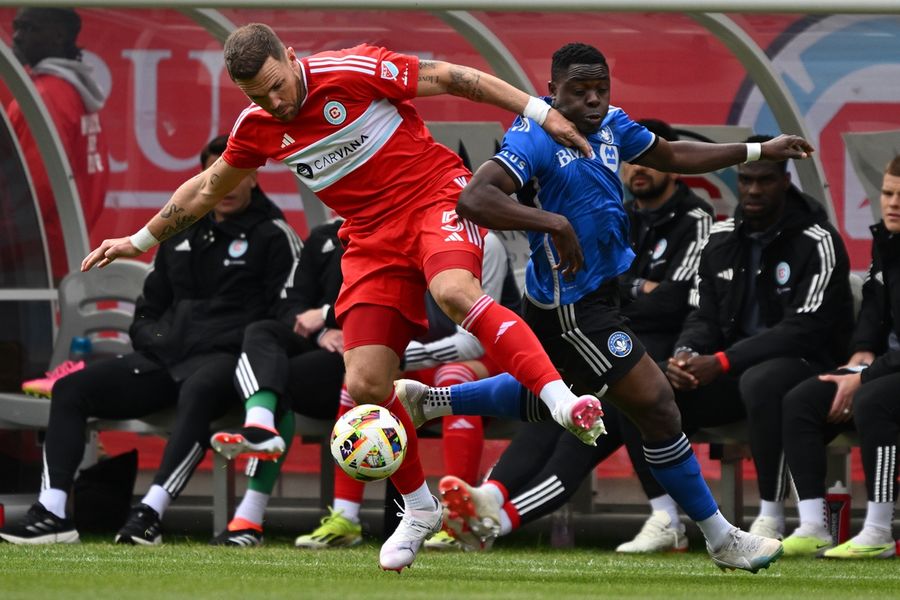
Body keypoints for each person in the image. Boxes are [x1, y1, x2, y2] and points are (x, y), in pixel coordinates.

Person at [83, 23, 606, 571]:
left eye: (276, 85)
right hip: (370, 238)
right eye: (256, 95)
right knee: (365, 385)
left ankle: (560, 401)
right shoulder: (258, 125)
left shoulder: (352, 70)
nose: (274, 101)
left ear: (290, 56)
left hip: (435, 199)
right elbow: (206, 187)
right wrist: (137, 240)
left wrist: (542, 113)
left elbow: (459, 78)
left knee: (454, 293)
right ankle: (420, 508)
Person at [394, 42, 820, 573]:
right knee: (657, 404)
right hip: (570, 304)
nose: (593, 100)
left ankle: (433, 400)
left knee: (571, 393)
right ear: (552, 91)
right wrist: (554, 223)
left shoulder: (614, 124)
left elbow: (668, 154)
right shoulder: (535, 135)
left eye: (601, 89)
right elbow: (475, 199)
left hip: (599, 294)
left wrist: (757, 151)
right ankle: (721, 537)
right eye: (579, 91)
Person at [428, 118, 716, 552]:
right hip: (605, 336)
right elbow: (611, 284)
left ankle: (662, 514)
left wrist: (625, 290)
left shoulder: (696, 219)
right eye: (631, 163)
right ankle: (490, 502)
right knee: (561, 404)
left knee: (597, 416)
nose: (638, 170)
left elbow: (674, 300)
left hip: (663, 348)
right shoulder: (621, 209)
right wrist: (631, 289)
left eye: (648, 162)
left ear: (670, 167)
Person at [0, 135, 301, 545]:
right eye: (215, 177)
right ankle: (52, 512)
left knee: (199, 389)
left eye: (234, 176)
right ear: (202, 180)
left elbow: (284, 314)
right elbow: (148, 308)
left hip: (226, 365)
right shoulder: (179, 233)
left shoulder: (274, 235)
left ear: (252, 176)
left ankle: (150, 512)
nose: (225, 187)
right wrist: (153, 338)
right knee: (71, 389)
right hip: (164, 359)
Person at [293, 231, 518, 551]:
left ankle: (459, 519)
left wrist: (400, 355)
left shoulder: (486, 243)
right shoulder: (399, 235)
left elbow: (472, 341)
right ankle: (346, 518)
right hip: (423, 356)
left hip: (486, 357)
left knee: (453, 375)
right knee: (357, 381)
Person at [779, 156, 900, 559]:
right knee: (802, 399)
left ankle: (879, 529)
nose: (892, 203)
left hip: (889, 375)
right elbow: (874, 303)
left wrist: (863, 378)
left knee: (873, 400)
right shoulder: (887, 239)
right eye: (887, 193)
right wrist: (863, 350)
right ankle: (814, 526)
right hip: (887, 365)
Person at [209, 217, 346, 546]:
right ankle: (261, 424)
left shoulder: (386, 228)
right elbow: (290, 304)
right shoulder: (322, 236)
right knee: (261, 332)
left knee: (274, 379)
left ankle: (248, 520)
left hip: (364, 355)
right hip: (321, 345)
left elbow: (387, 297)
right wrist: (324, 329)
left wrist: (327, 315)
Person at [6, 7, 108, 284]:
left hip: (33, 257)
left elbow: (31, 190)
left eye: (29, 28)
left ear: (58, 35)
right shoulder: (76, 91)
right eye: (16, 27)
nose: (16, 37)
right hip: (67, 246)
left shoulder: (42, 98)